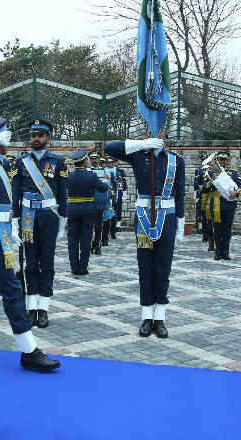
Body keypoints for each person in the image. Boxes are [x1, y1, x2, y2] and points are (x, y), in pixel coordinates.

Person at [0, 117, 60, 371]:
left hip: (0, 231)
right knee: (12, 288)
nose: (8, 141)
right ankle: (29, 350)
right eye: (4, 137)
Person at [105, 133, 184, 338]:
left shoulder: (176, 160)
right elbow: (109, 149)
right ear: (147, 134)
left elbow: (181, 193)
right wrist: (141, 144)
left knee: (163, 268)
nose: (156, 135)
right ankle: (147, 318)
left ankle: (160, 318)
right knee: (146, 267)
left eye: (160, 132)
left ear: (165, 134)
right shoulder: (138, 155)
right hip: (144, 218)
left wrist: (180, 225)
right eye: (151, 133)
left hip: (167, 217)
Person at [11, 119, 67, 329]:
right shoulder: (21, 162)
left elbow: (63, 194)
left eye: (40, 135)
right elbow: (16, 194)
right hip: (27, 216)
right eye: (33, 135)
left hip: (49, 215)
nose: (36, 139)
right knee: (31, 263)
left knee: (47, 264)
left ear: (48, 138)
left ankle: (43, 308)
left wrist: (62, 220)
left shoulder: (58, 161)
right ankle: (31, 307)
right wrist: (15, 223)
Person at [67, 149, 109, 275]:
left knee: (73, 239)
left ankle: (74, 267)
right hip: (88, 210)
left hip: (73, 210)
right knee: (86, 238)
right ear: (85, 163)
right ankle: (83, 267)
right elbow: (103, 189)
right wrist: (106, 180)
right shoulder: (92, 176)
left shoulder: (69, 177)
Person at [202, 151, 241, 260]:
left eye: (224, 160)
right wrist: (211, 182)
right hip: (215, 205)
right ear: (217, 160)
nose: (222, 162)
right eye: (220, 159)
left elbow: (240, 186)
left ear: (228, 161)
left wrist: (236, 193)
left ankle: (225, 252)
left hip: (229, 204)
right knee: (216, 230)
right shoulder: (210, 173)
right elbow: (203, 189)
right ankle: (217, 251)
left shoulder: (233, 173)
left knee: (227, 230)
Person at [87, 152, 111, 254]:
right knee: (88, 226)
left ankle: (97, 245)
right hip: (89, 203)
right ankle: (89, 244)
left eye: (96, 158)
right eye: (92, 159)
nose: (94, 160)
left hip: (100, 204)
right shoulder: (87, 171)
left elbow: (109, 187)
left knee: (98, 227)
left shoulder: (105, 172)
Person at [113, 157, 127, 230]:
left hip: (119, 192)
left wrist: (124, 193)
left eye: (115, 161)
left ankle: (118, 225)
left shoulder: (120, 171)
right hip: (112, 193)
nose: (114, 163)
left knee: (118, 208)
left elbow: (124, 184)